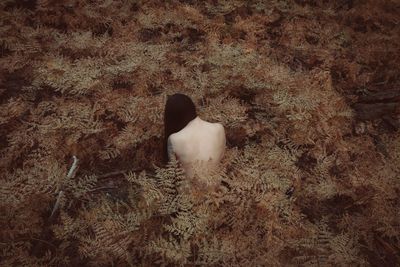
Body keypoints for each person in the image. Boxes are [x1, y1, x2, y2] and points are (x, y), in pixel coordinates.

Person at [163, 93, 226, 179]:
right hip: (216, 187)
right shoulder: (219, 128)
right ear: (192, 108)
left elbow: (173, 172)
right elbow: (221, 157)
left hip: (188, 190)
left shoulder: (174, 139)